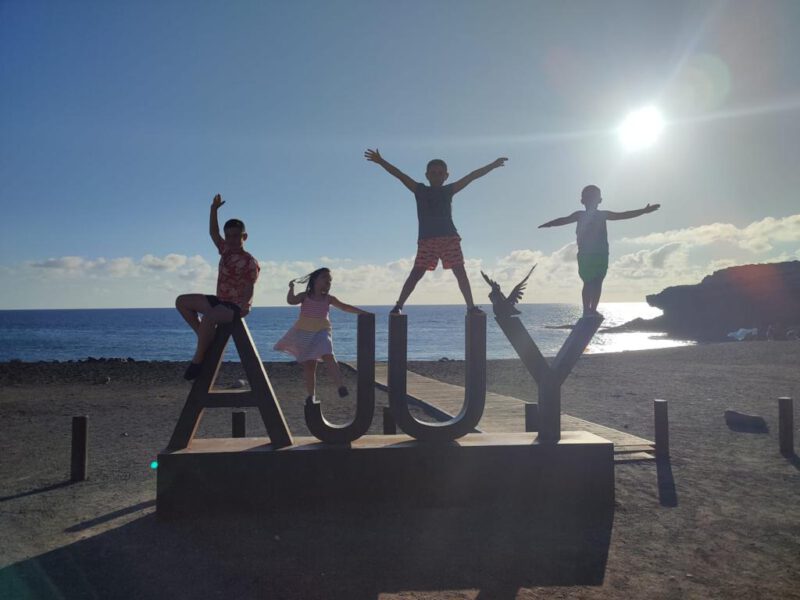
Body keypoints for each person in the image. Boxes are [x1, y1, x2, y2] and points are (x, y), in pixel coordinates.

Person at [365, 148, 507, 314]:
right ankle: (398, 306)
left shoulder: (448, 190)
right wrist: (381, 161)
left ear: (446, 175)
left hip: (449, 238)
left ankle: (471, 307)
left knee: (460, 272)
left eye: (440, 173)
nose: (436, 176)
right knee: (416, 274)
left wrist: (493, 165)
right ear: (427, 175)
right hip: (427, 240)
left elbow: (471, 176)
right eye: (433, 173)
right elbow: (400, 175)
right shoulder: (420, 190)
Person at [538, 184, 660, 317]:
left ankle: (593, 309)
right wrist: (549, 224)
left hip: (601, 253)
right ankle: (586, 310)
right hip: (586, 254)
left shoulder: (603, 215)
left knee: (598, 281)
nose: (591, 201)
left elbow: (623, 215)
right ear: (583, 201)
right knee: (589, 282)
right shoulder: (579, 215)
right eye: (588, 198)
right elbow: (563, 220)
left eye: (593, 198)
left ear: (599, 200)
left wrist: (643, 211)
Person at [175, 194, 259, 380]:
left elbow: (249, 287)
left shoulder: (249, 261)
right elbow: (213, 233)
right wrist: (213, 210)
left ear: (244, 236)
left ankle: (198, 359)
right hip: (219, 300)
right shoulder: (226, 250)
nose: (231, 240)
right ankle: (205, 338)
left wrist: (242, 307)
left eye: (236, 236)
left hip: (235, 306)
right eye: (228, 236)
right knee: (182, 302)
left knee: (208, 317)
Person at [274, 268, 368, 403]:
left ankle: (340, 386)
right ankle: (311, 395)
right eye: (324, 278)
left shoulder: (328, 299)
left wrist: (363, 312)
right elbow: (291, 300)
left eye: (330, 280)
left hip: (322, 332)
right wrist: (291, 288)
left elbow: (344, 307)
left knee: (328, 354)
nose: (327, 282)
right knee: (310, 366)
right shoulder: (304, 296)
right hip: (304, 333)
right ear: (315, 280)